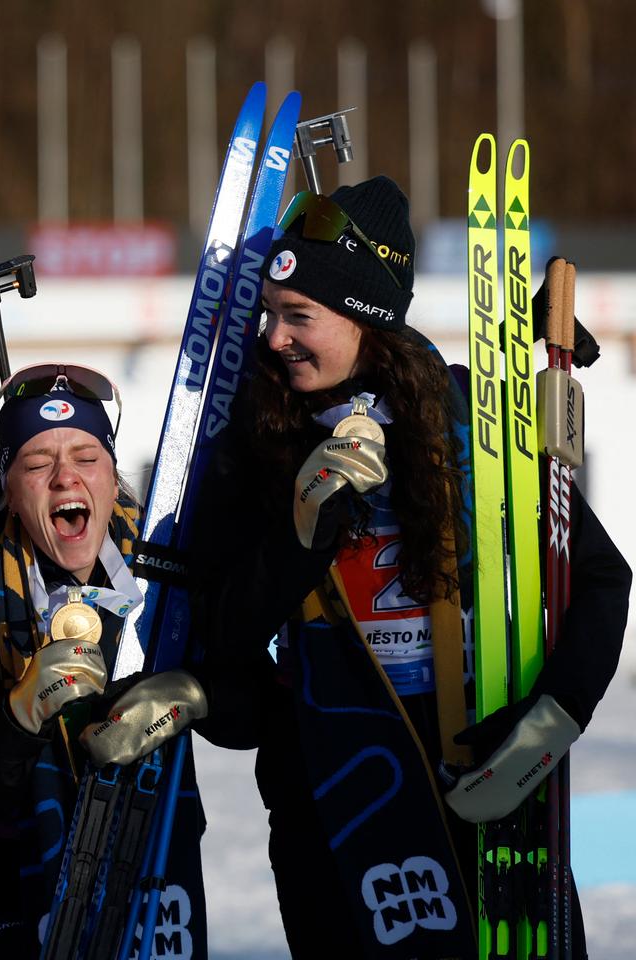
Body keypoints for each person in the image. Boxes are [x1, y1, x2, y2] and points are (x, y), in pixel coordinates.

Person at [191, 175, 631, 957]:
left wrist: (551, 719)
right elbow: (220, 634)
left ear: (366, 317)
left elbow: (598, 575)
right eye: (269, 314)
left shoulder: (469, 419)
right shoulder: (256, 439)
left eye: (299, 316)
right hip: (337, 799)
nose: (275, 337)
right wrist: (300, 530)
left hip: (485, 772)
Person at [0, 365, 209, 957]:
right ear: (9, 488)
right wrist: (20, 714)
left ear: (113, 478)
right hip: (9, 885)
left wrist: (199, 692)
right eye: (36, 463)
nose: (65, 476)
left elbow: (252, 711)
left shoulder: (162, 566)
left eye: (86, 457)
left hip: (150, 860)